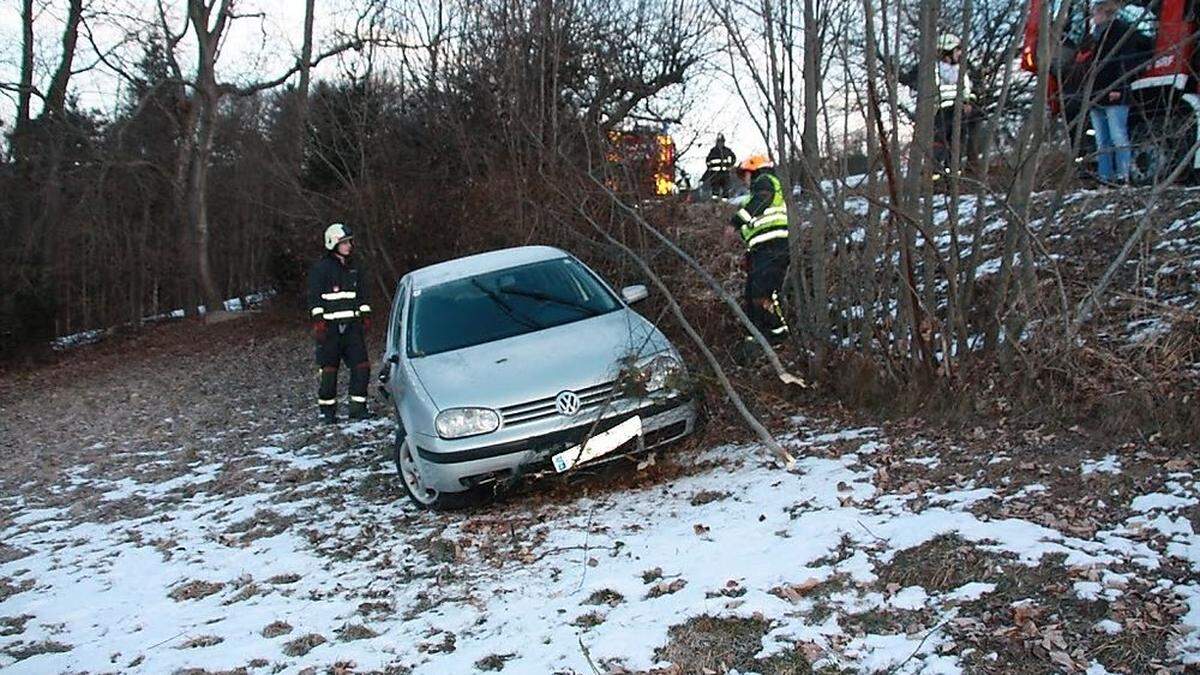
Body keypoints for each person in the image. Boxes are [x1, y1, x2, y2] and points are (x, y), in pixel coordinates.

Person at [307, 223, 372, 424]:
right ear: (333, 243)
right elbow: (314, 298)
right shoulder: (321, 269)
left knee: (361, 367)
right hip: (330, 330)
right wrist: (319, 322)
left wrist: (365, 315)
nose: (348, 246)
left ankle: (357, 408)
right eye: (344, 242)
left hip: (352, 328)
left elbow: (362, 294)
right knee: (329, 370)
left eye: (349, 242)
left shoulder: (355, 267)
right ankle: (327, 412)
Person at [729, 154, 789, 343]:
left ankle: (778, 335)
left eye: (744, 175)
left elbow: (760, 203)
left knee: (763, 293)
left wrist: (735, 223)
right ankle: (758, 336)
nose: (743, 180)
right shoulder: (760, 188)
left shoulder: (764, 181)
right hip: (762, 250)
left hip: (772, 249)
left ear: (753, 171)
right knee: (753, 294)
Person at [1083, 0, 1140, 185]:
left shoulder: (1120, 32)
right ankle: (1105, 177)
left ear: (1105, 13)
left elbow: (1123, 62)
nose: (1093, 18)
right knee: (1102, 140)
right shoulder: (1096, 37)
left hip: (1114, 91)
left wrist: (1118, 87)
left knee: (1118, 136)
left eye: (1095, 14)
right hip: (1096, 93)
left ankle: (1124, 176)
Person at [933, 33, 978, 172]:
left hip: (960, 111)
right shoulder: (935, 70)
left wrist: (968, 102)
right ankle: (937, 174)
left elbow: (967, 90)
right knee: (941, 142)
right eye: (956, 50)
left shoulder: (961, 70)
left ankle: (955, 172)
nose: (959, 53)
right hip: (942, 112)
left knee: (958, 142)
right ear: (948, 51)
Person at [704, 134, 737, 198]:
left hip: (725, 172)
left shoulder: (727, 150)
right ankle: (715, 200)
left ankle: (725, 201)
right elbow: (707, 161)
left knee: (726, 186)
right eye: (719, 141)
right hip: (715, 173)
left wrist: (730, 166)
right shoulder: (713, 151)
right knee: (715, 187)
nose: (720, 143)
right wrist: (710, 168)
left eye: (722, 141)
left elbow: (734, 158)